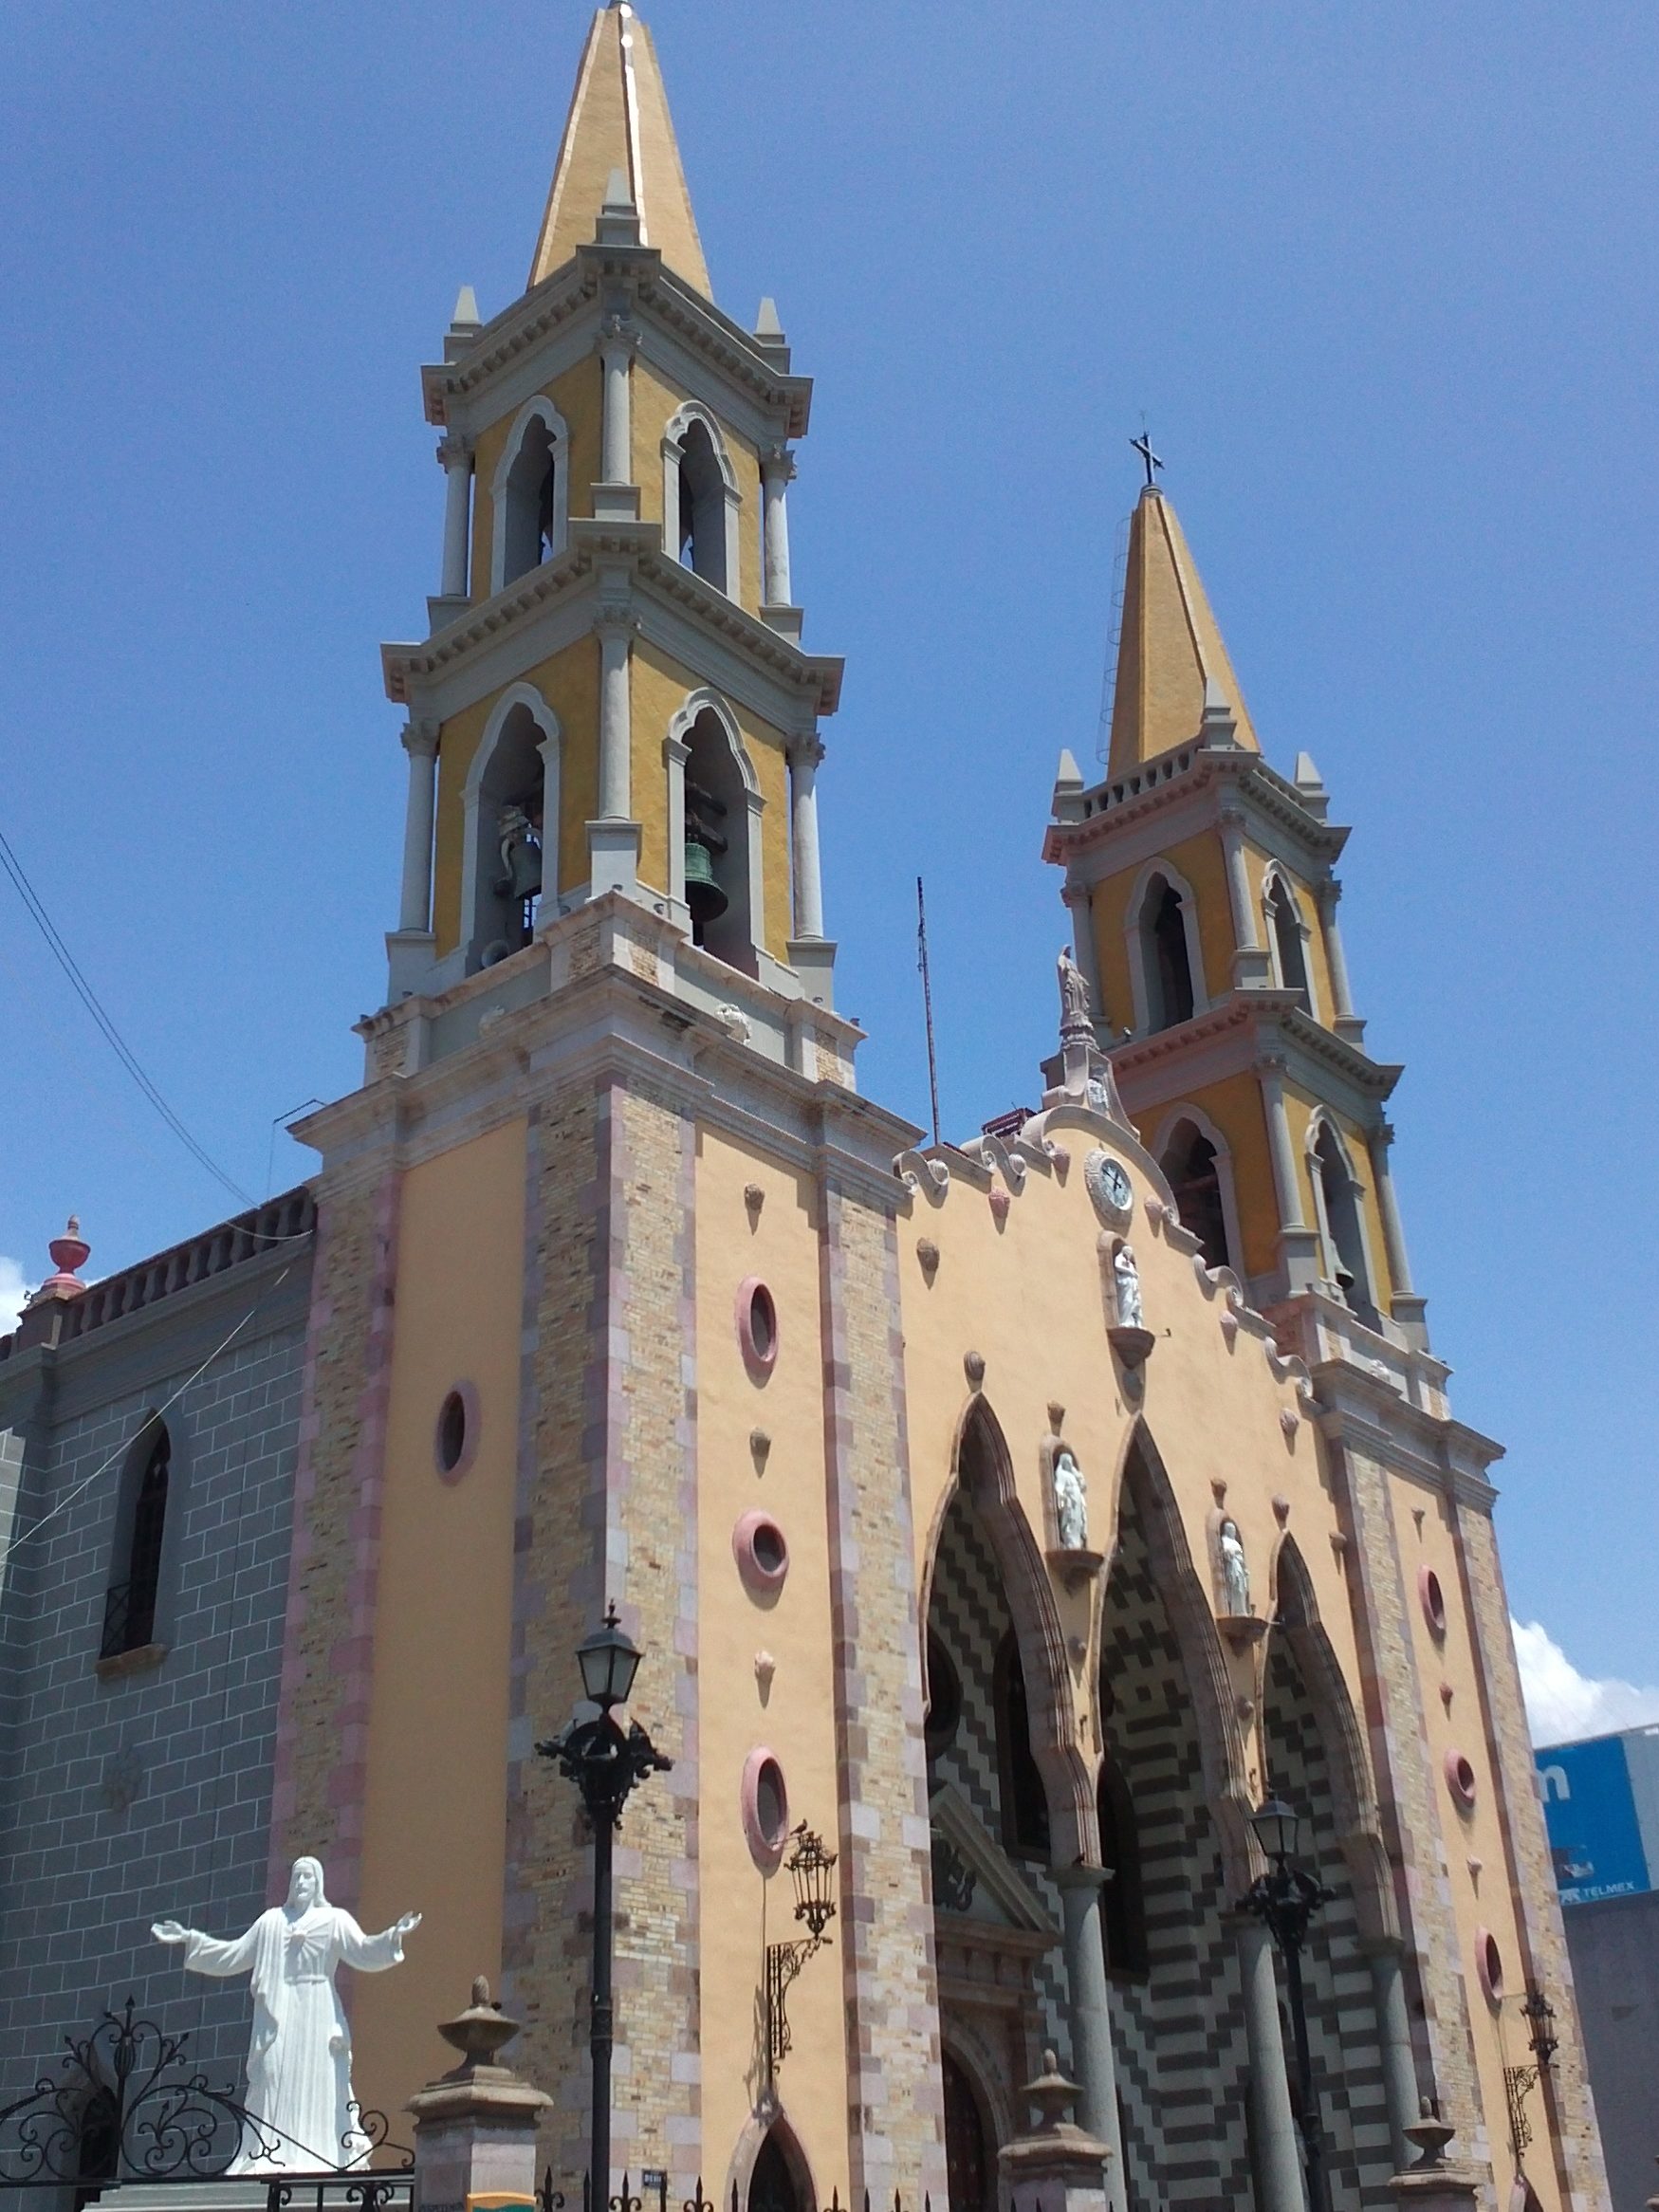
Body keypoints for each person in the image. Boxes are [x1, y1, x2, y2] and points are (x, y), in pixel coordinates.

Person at [152, 1857, 420, 2173]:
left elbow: (362, 1950)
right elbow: (234, 1954)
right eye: (296, 1876)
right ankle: (267, 2154)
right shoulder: (271, 1922)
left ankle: (324, 2156)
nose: (301, 1882)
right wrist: (191, 1939)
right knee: (272, 2073)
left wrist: (393, 1936)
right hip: (278, 2013)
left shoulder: (334, 1919)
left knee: (318, 2078)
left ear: (318, 1882)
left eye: (307, 1876)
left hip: (318, 2010)